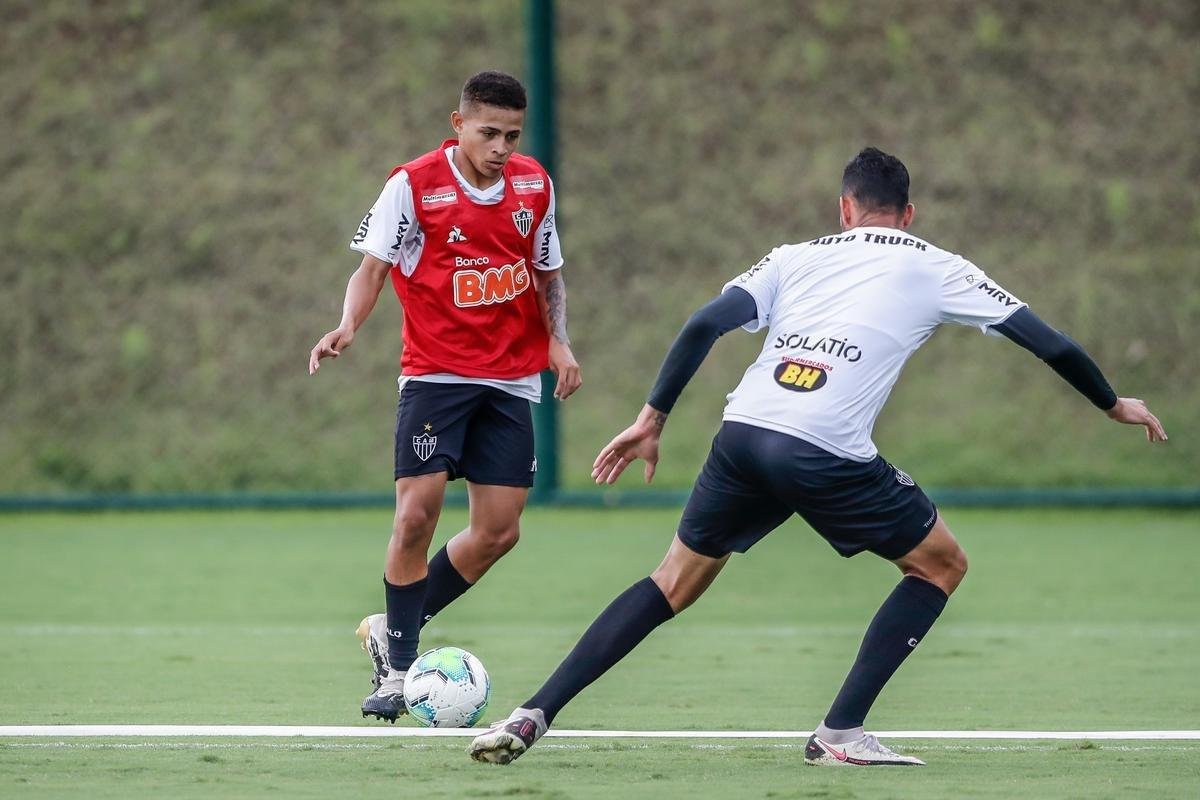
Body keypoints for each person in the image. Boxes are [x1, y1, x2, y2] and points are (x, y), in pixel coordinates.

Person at [468, 147, 1167, 766]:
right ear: (909, 213)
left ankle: (535, 712)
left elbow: (705, 322)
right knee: (941, 563)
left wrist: (652, 418)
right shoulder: (939, 265)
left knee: (673, 580)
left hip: (743, 432)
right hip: (824, 446)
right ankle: (841, 731)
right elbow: (1048, 341)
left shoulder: (795, 255)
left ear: (845, 208)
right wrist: (1111, 403)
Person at [309, 70, 582, 723]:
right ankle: (399, 670)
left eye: (512, 135)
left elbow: (548, 276)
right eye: (488, 132)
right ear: (457, 124)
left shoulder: (533, 185)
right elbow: (372, 267)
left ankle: (392, 624)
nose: (501, 146)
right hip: (434, 371)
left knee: (498, 531)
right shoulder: (413, 185)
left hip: (510, 377)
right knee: (416, 515)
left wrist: (560, 344)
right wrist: (348, 326)